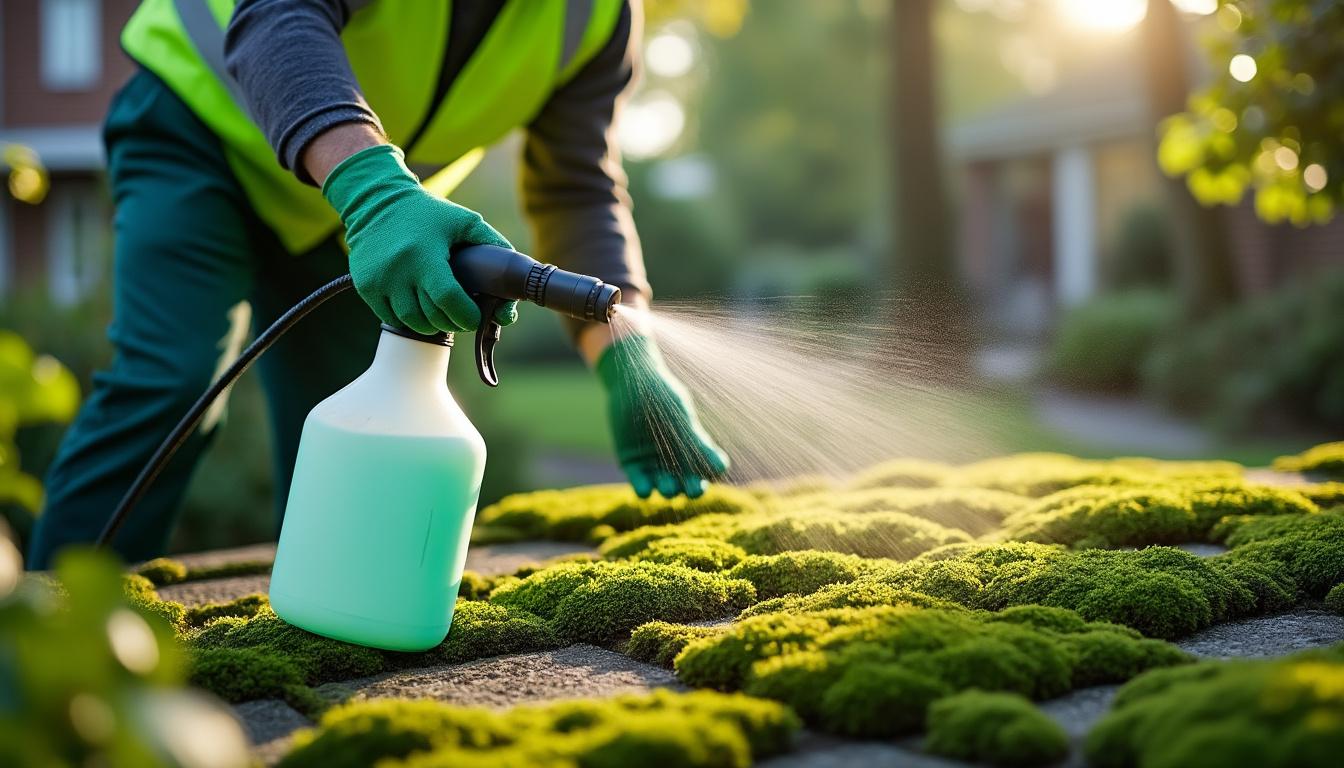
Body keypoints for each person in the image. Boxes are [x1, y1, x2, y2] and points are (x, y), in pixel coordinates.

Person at [27, 0, 728, 569]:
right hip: (202, 132)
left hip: (365, 212)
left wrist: (625, 352)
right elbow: (279, 14)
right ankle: (49, 655)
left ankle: (318, 648)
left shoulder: (596, 18)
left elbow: (577, 190)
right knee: (170, 381)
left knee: (361, 442)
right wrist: (374, 194)